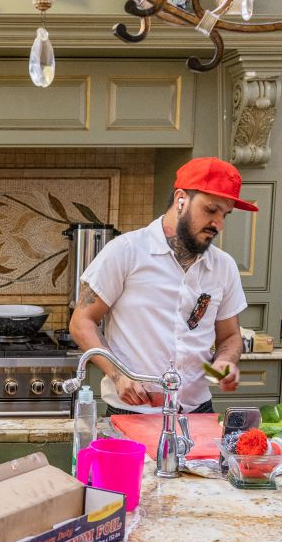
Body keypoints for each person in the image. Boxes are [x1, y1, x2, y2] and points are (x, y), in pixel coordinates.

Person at [68, 156, 254, 416]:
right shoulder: (126, 251)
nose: (218, 224)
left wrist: (225, 361)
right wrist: (118, 375)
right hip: (133, 412)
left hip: (197, 412)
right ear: (181, 199)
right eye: (211, 210)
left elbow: (230, 336)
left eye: (225, 214)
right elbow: (81, 322)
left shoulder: (224, 266)